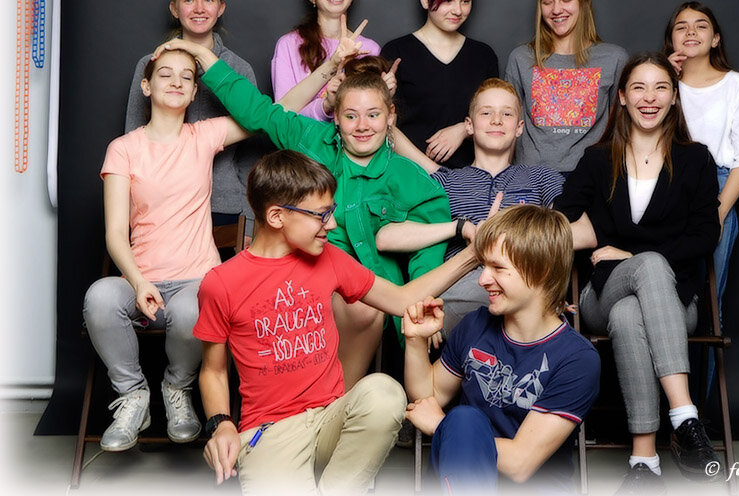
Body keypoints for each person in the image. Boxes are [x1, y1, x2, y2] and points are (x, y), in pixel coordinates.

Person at [153, 39, 450, 389]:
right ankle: (297, 401)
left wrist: (420, 299)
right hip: (301, 281)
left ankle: (336, 403)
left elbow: (427, 246)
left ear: (390, 116)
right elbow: (259, 112)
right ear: (335, 117)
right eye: (351, 116)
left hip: (368, 296)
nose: (362, 126)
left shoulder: (411, 178)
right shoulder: (311, 139)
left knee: (363, 305)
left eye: (373, 115)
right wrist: (206, 58)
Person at [194, 149, 479, 496]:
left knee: (385, 394)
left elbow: (402, 299)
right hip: (271, 431)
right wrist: (221, 424)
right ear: (276, 216)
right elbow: (213, 370)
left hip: (333, 417)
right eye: (321, 215)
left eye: (331, 211)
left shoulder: (329, 258)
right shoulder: (221, 283)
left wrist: (472, 255)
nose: (331, 224)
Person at [554, 52, 722, 494]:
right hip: (601, 293)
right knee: (643, 273)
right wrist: (588, 235)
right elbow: (560, 217)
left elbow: (706, 235)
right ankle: (685, 416)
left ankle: (644, 460)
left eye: (661, 87)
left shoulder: (696, 160)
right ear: (623, 98)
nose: (650, 97)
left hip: (675, 300)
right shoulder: (597, 159)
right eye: (639, 88)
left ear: (674, 98)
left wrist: (630, 251)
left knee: (631, 313)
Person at [83, 48, 251, 452]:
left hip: (196, 281)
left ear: (194, 93)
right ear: (146, 86)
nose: (176, 81)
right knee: (99, 297)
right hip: (141, 282)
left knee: (195, 308)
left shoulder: (203, 135)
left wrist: (328, 70)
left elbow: (269, 114)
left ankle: (177, 388)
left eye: (186, 77)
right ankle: (133, 396)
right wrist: (139, 282)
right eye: (165, 75)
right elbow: (114, 234)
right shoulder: (123, 148)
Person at [403, 205, 600, 494]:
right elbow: (426, 398)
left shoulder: (577, 358)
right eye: (484, 266)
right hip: (458, 478)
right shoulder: (475, 325)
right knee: (465, 419)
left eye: (498, 268)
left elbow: (521, 463)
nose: (482, 279)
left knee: (460, 422)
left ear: (541, 270)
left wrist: (443, 426)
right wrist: (415, 340)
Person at [378, 79, 564, 335]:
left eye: (507, 114)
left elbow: (577, 232)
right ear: (469, 125)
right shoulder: (445, 181)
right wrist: (461, 228)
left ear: (519, 127)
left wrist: (507, 238)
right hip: (462, 283)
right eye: (486, 113)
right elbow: (387, 236)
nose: (496, 120)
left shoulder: (541, 178)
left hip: (524, 280)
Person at [125, 0, 262, 225]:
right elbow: (133, 140)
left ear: (220, 8)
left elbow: (251, 155)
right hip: (160, 205)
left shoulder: (239, 70)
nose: (199, 9)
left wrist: (249, 220)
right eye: (189, 0)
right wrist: (134, 213)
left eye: (208, 0)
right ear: (175, 9)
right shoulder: (151, 64)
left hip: (224, 207)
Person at [663, 1, 739, 319]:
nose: (691, 31)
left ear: (715, 38)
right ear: (672, 39)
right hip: (666, 183)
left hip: (718, 187)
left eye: (701, 25)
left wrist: (717, 214)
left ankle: (706, 351)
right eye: (681, 27)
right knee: (666, 286)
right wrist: (664, 78)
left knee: (708, 294)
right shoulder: (663, 86)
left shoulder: (736, 84)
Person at [504, 0, 627, 178]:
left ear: (583, 1)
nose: (556, 10)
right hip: (531, 177)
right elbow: (508, 127)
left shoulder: (614, 58)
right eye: (547, 2)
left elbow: (623, 129)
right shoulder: (521, 58)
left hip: (589, 178)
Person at [382, 0, 498, 168]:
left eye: (465, 1)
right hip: (410, 174)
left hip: (471, 176)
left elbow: (496, 117)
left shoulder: (483, 55)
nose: (458, 10)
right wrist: (435, 173)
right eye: (448, 0)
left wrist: (463, 129)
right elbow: (386, 125)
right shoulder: (396, 51)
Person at [270, 0, 381, 120]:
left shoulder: (369, 48)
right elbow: (282, 114)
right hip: (301, 136)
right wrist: (326, 106)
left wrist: (386, 93)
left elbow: (370, 114)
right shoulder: (289, 44)